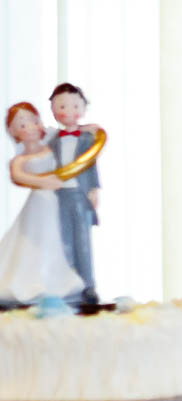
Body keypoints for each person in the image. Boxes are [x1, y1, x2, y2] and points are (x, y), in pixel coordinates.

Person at [0, 102, 85, 306]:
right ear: (13, 132)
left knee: (56, 239)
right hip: (39, 202)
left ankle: (57, 280)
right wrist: (43, 181)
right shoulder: (20, 159)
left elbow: (73, 133)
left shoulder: (52, 146)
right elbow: (19, 177)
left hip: (57, 201)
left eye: (34, 121)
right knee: (36, 240)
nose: (29, 127)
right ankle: (32, 283)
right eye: (22, 125)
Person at [47, 83, 100, 306]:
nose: (68, 111)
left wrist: (94, 189)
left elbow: (91, 165)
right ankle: (67, 286)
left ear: (83, 108)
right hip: (59, 196)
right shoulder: (52, 141)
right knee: (63, 241)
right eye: (62, 106)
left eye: (75, 106)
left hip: (80, 195)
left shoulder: (87, 139)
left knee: (83, 242)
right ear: (53, 109)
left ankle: (88, 286)